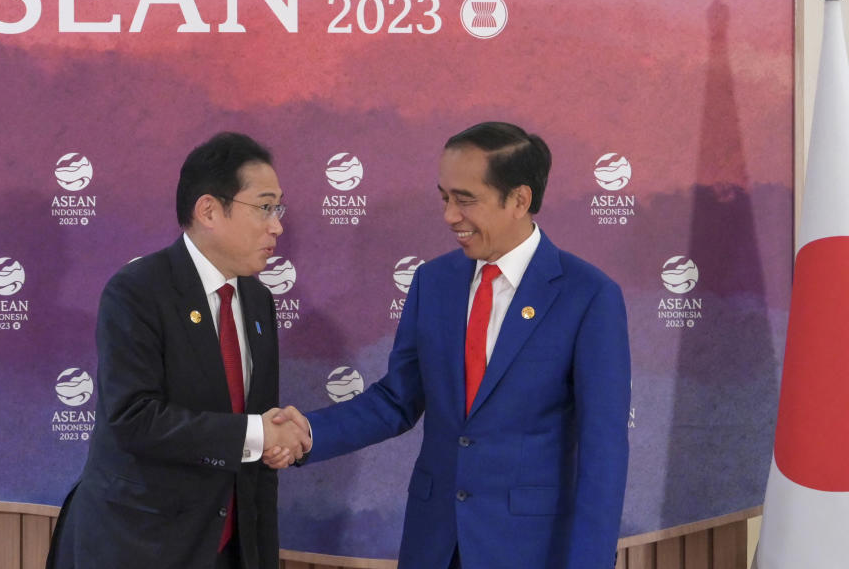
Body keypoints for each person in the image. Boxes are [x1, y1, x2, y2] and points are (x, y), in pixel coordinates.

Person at [269, 122, 631, 569]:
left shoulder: (588, 295)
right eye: (444, 197)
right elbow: (396, 400)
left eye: (465, 200)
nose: (448, 216)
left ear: (519, 199)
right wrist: (308, 433)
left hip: (530, 550)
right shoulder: (432, 282)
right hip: (434, 544)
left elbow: (604, 451)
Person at [47, 132, 311, 569]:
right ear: (208, 209)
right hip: (138, 546)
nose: (277, 225)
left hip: (230, 547)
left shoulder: (259, 300)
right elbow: (133, 418)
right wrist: (258, 434)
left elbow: (248, 422)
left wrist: (274, 442)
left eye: (278, 208)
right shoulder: (137, 291)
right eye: (264, 207)